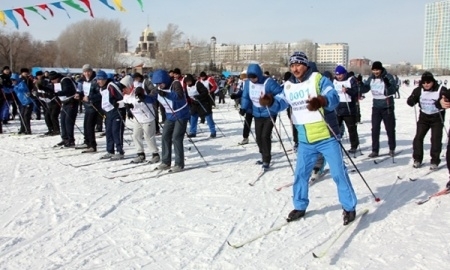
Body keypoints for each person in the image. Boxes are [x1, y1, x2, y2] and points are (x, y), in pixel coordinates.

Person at [264, 51, 357, 225]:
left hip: (326, 137)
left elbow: (333, 97)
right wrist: (270, 101)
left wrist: (321, 101)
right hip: (305, 140)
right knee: (300, 175)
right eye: (292, 66)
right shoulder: (289, 86)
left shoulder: (318, 79)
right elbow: (280, 103)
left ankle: (349, 207)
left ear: (305, 64)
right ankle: (299, 206)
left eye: (298, 64)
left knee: (338, 174)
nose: (295, 68)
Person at [240, 63, 282, 170]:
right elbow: (245, 96)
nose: (253, 79)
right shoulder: (248, 83)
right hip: (256, 113)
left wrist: (269, 99)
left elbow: (280, 93)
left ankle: (266, 160)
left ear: (259, 74)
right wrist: (243, 108)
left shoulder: (268, 82)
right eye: (250, 77)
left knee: (265, 136)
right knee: (258, 137)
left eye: (254, 77)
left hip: (269, 113)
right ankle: (263, 155)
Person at [152, 69, 189, 172]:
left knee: (176, 137)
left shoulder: (175, 84)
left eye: (161, 83)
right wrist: (142, 97)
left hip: (181, 114)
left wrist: (166, 94)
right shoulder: (158, 88)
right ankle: (165, 162)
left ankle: (179, 164)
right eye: (157, 84)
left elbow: (179, 96)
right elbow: (152, 98)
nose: (159, 86)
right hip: (170, 116)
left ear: (165, 80)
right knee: (165, 137)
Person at [407, 72, 445, 170]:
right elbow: (411, 101)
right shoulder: (419, 90)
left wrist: (440, 103)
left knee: (435, 139)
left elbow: (447, 101)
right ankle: (417, 159)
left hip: (437, 118)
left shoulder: (441, 89)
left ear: (433, 81)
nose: (426, 84)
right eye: (423, 82)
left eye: (428, 82)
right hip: (424, 117)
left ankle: (435, 161)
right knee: (418, 138)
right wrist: (411, 100)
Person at [359, 61, 397, 157]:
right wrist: (360, 84)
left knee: (390, 129)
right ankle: (375, 150)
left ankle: (392, 148)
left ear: (381, 69)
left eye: (377, 70)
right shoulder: (371, 78)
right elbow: (365, 89)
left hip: (387, 106)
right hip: (376, 106)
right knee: (375, 129)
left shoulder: (388, 77)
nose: (376, 72)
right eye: (374, 70)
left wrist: (388, 84)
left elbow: (393, 90)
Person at [123, 83, 160, 164]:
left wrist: (141, 97)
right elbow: (125, 103)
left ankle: (155, 154)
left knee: (148, 137)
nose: (124, 90)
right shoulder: (125, 96)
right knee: (136, 136)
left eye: (125, 88)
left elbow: (144, 102)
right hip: (138, 119)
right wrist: (128, 109)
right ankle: (140, 154)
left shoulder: (138, 91)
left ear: (130, 87)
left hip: (147, 118)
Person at [99, 74, 127, 160]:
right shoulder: (102, 88)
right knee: (109, 132)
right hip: (108, 112)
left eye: (99, 80)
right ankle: (110, 151)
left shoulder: (112, 85)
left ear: (104, 79)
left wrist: (118, 103)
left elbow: (123, 98)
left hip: (117, 111)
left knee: (116, 131)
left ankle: (120, 151)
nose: (98, 82)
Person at [333, 65, 360, 153]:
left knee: (351, 129)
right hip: (337, 109)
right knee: (335, 130)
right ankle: (334, 146)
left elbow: (356, 93)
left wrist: (348, 90)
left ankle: (354, 146)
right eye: (337, 75)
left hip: (349, 109)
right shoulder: (334, 81)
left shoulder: (351, 80)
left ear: (344, 73)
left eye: (340, 74)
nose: (339, 76)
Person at [75, 64, 101, 152]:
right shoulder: (82, 80)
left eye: (89, 71)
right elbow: (80, 91)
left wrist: (90, 98)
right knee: (86, 125)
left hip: (94, 106)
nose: (87, 73)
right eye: (85, 72)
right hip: (87, 106)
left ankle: (92, 145)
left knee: (90, 126)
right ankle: (87, 142)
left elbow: (100, 94)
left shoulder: (96, 80)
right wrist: (78, 95)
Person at [51, 71, 78, 147]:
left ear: (56, 78)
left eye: (53, 80)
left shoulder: (65, 80)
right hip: (64, 103)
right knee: (62, 121)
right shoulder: (58, 82)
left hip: (71, 102)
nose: (52, 82)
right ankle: (65, 138)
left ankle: (70, 140)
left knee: (68, 122)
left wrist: (57, 94)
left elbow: (68, 91)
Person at [184, 73, 216, 138]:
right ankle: (193, 132)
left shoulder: (198, 84)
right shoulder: (187, 86)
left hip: (203, 102)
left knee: (208, 117)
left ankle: (213, 132)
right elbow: (187, 95)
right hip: (194, 104)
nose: (188, 82)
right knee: (193, 117)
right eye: (186, 81)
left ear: (191, 79)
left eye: (189, 81)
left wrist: (198, 97)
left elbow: (205, 92)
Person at [231, 71, 253, 145]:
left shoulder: (251, 83)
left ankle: (267, 135)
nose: (243, 79)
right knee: (247, 123)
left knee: (260, 123)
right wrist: (235, 95)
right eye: (242, 78)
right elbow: (243, 92)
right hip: (248, 108)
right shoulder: (244, 83)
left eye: (244, 78)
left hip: (255, 107)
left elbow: (247, 95)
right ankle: (245, 138)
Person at [14, 69, 34, 135]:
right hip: (21, 100)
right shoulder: (19, 80)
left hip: (27, 100)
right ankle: (23, 128)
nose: (25, 74)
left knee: (26, 115)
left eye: (26, 73)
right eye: (24, 73)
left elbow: (28, 88)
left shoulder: (29, 79)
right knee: (22, 115)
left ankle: (27, 129)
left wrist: (30, 92)